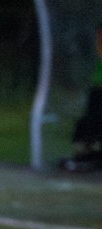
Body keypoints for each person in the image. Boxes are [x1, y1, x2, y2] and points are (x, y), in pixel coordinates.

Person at [60, 22, 102, 173]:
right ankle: (86, 155)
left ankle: (91, 155)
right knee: (87, 123)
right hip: (97, 88)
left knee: (94, 122)